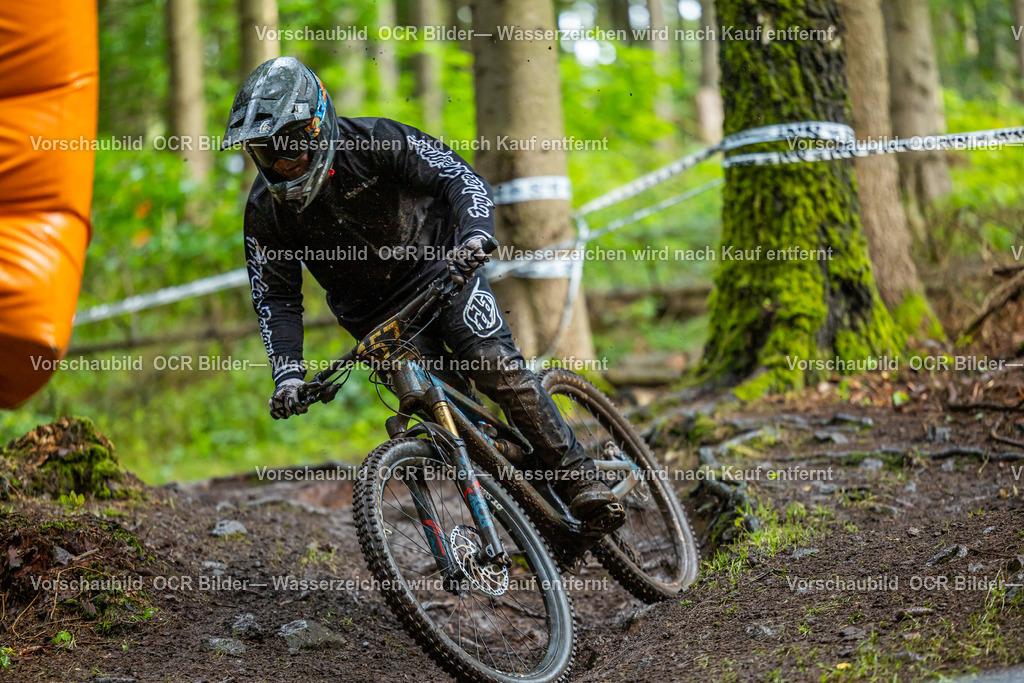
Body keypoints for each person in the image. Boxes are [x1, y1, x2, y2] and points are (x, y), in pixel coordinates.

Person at [221, 56, 624, 532]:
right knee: (445, 424)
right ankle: (528, 517)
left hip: (443, 269)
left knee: (494, 366)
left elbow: (459, 178)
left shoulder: (376, 141)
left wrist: (474, 236)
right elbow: (276, 296)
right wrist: (288, 374)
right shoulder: (265, 212)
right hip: (374, 319)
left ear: (318, 126)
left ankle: (580, 478)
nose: (282, 166)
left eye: (289, 150)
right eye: (266, 155)